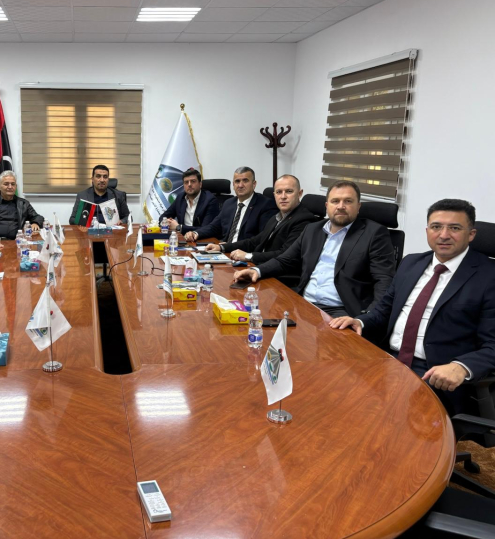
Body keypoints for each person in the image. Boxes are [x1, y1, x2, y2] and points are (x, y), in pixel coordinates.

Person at [330, 199, 495, 414]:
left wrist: (462, 367)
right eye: (436, 227)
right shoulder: (411, 262)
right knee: (332, 391)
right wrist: (360, 321)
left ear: (471, 234)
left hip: (434, 373)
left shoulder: (488, 277)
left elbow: (492, 345)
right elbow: (385, 309)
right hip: (386, 359)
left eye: (454, 228)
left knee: (378, 416)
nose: (444, 235)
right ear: (427, 231)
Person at [233, 180, 396, 318]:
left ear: (358, 206)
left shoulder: (374, 234)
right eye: (335, 201)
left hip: (341, 312)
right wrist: (257, 270)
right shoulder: (313, 229)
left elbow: (384, 281)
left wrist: (367, 319)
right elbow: (285, 260)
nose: (341, 206)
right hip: (303, 303)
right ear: (327, 205)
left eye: (348, 201)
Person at [205, 174, 314, 264]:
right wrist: (223, 248)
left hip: (279, 276)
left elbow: (285, 254)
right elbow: (255, 241)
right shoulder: (277, 217)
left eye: (289, 191)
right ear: (274, 195)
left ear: (299, 193)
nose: (283, 196)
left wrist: (248, 256)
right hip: (261, 265)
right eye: (279, 192)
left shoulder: (304, 220)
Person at [185, 167, 278, 243]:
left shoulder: (265, 204)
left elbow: (261, 238)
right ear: (233, 185)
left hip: (244, 253)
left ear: (254, 184)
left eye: (245, 181)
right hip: (225, 251)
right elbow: (214, 227)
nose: (240, 185)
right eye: (237, 181)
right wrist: (196, 233)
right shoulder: (229, 203)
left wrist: (228, 247)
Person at [0, 171, 44, 239]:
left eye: (13, 184)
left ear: (16, 186)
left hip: (17, 241)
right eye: (6, 184)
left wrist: (35, 223)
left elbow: (38, 217)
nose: (10, 187)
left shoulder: (23, 203)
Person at [158, 168, 218, 235]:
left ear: (200, 184)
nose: (189, 184)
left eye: (193, 181)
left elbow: (206, 229)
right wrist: (166, 222)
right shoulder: (180, 198)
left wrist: (179, 227)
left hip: (202, 239)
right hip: (183, 238)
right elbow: (163, 216)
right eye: (186, 182)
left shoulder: (210, 200)